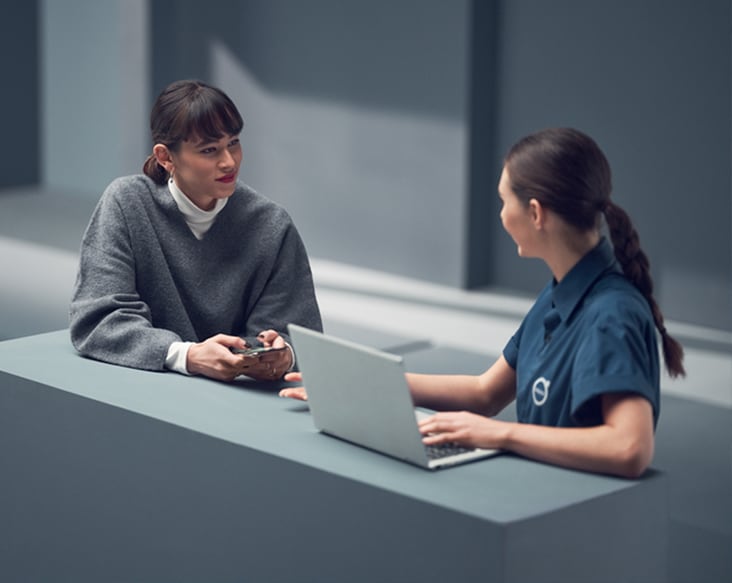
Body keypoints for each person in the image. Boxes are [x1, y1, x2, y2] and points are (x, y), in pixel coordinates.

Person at [280, 127, 684, 478]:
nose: (501, 214)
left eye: (503, 201)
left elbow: (630, 448)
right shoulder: (560, 292)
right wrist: (358, 388)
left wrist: (500, 435)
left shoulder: (613, 313)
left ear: (535, 212)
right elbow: (484, 392)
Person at [70, 79, 322, 382]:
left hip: (237, 405)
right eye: (209, 150)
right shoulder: (127, 203)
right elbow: (98, 319)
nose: (229, 161)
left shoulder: (272, 225)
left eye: (234, 143)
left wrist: (283, 355)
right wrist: (187, 356)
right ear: (166, 157)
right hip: (143, 392)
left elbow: (300, 336)